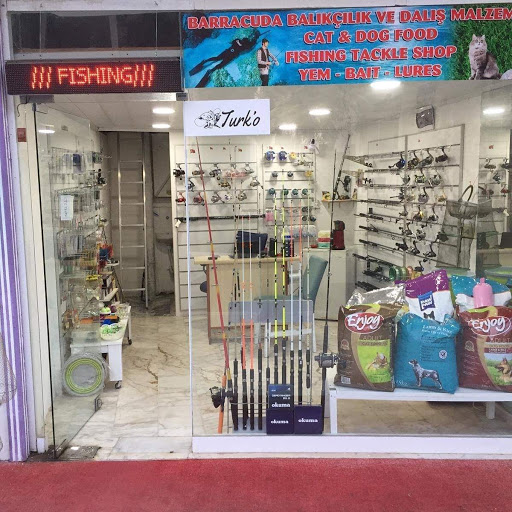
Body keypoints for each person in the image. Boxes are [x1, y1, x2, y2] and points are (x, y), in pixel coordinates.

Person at [189, 33, 260, 88]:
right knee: (220, 65)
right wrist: (254, 40)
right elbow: (249, 47)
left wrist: (239, 41)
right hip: (230, 57)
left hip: (226, 52)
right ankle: (210, 71)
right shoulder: (243, 47)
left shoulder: (236, 41)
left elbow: (233, 41)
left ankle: (204, 62)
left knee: (216, 58)